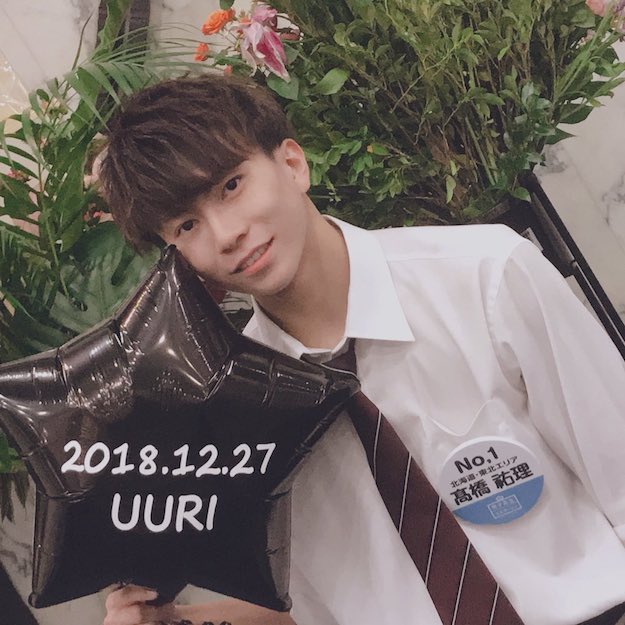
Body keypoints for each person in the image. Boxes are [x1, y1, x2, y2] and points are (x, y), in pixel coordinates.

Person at [98, 74, 625, 625]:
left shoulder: (485, 276)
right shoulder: (231, 411)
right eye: (187, 225)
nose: (225, 234)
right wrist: (173, 620)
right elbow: (325, 604)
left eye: (231, 186)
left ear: (292, 164)